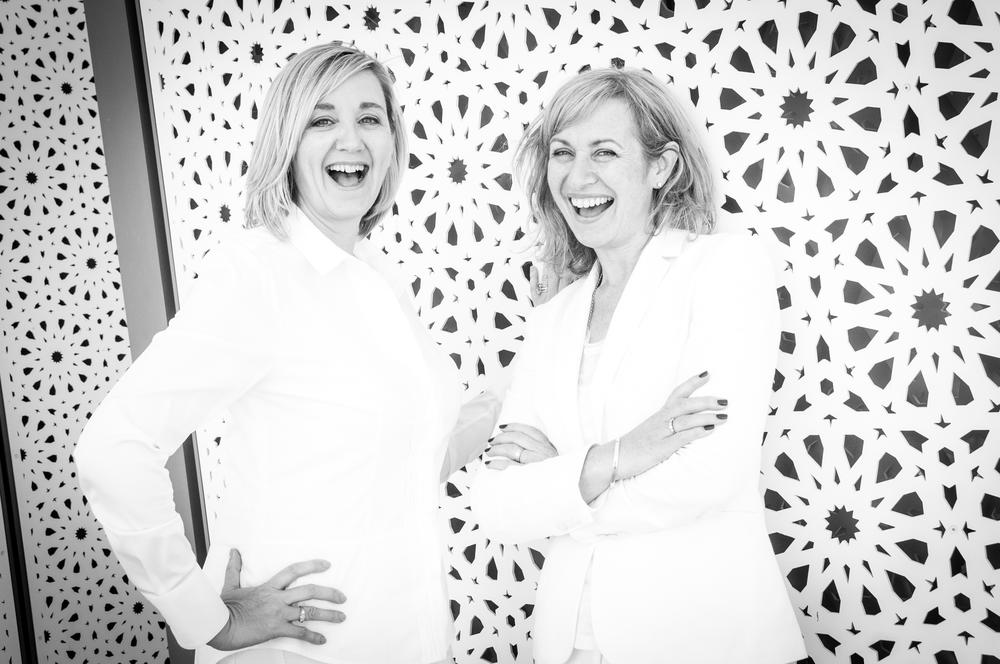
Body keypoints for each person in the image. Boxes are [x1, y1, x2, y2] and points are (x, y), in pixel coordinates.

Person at [75, 42, 496, 664]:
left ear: (392, 142)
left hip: (403, 639)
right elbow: (113, 448)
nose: (351, 139)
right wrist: (203, 616)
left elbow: (404, 461)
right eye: (322, 120)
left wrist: (511, 387)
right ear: (287, 144)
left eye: (370, 117)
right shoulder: (259, 273)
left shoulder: (380, 277)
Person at [470, 68, 807, 664]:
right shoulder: (553, 317)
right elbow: (498, 505)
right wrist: (621, 456)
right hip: (567, 647)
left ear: (662, 167)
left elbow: (710, 475)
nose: (578, 177)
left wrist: (562, 481)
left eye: (604, 151)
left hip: (702, 640)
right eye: (562, 153)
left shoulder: (724, 268)